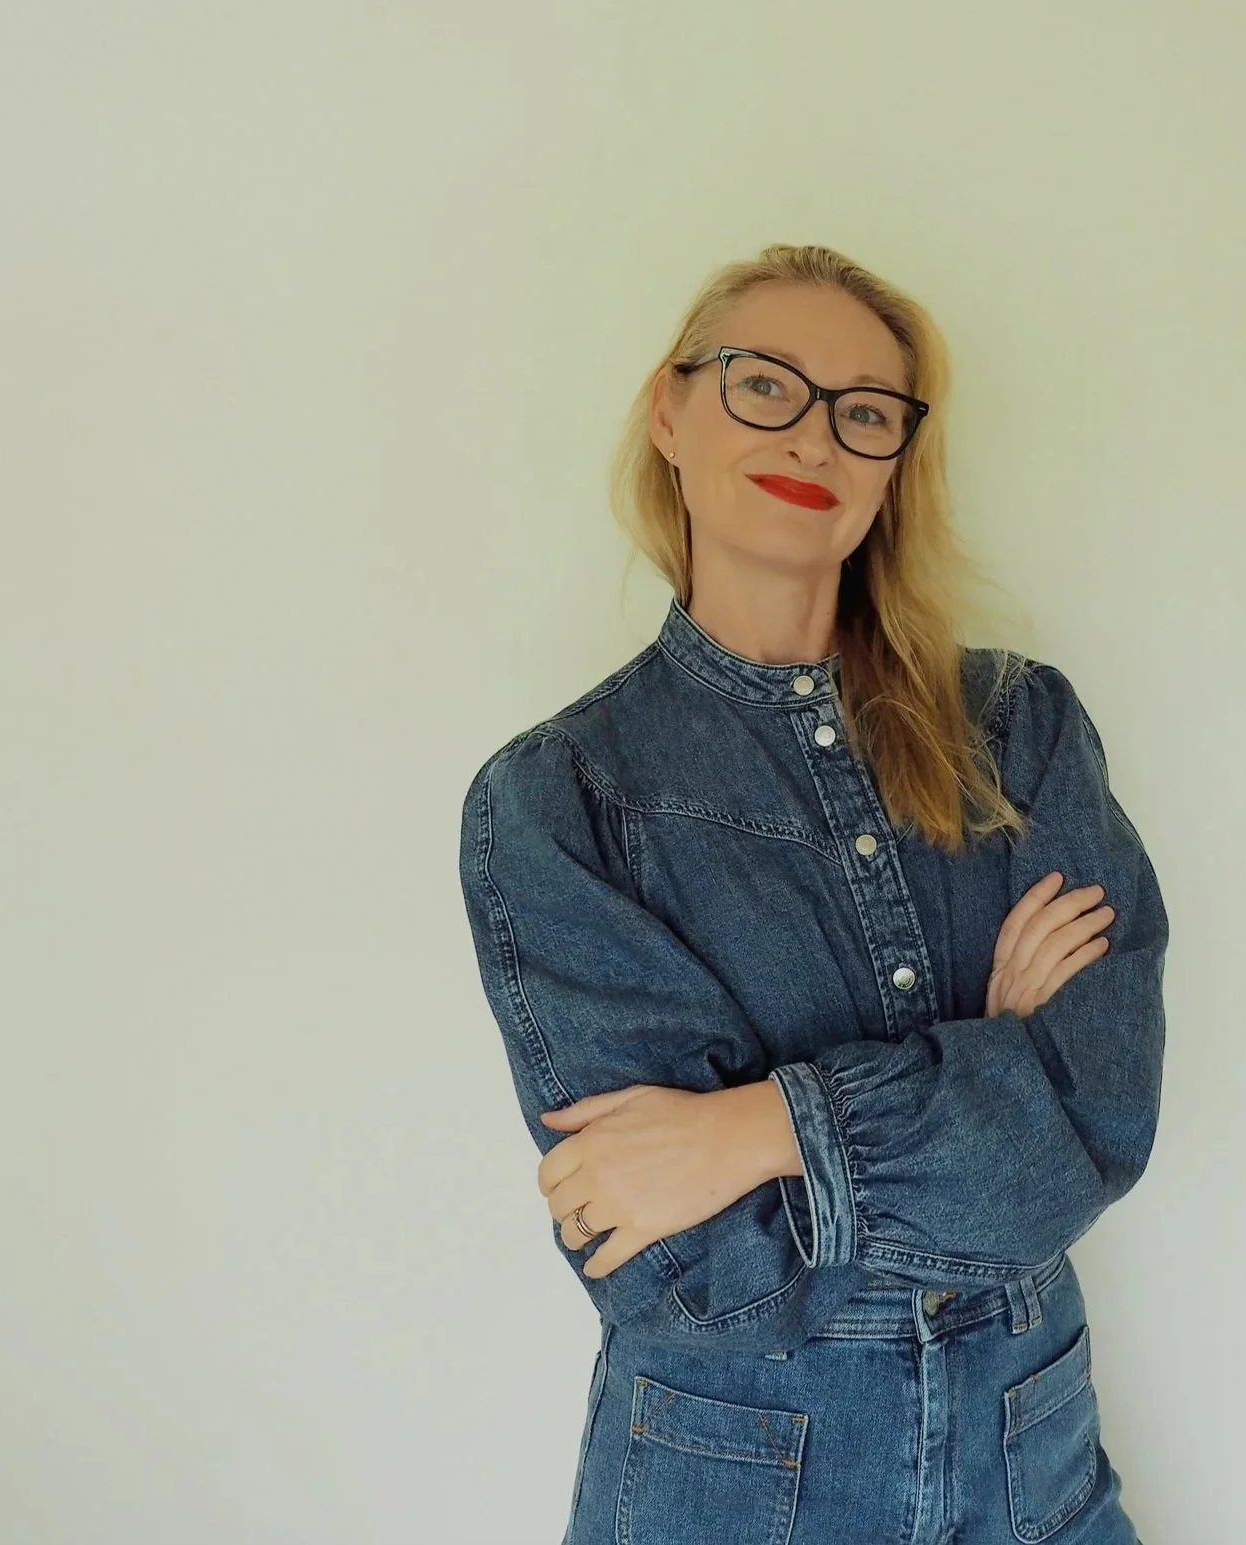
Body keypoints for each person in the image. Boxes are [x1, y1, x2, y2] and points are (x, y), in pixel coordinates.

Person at [457, 242, 1168, 1545]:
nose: (817, 436)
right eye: (763, 384)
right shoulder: (561, 801)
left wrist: (751, 1131)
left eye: (864, 411)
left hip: (1032, 1452)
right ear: (670, 412)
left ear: (897, 460)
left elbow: (1097, 1120)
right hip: (738, 1477)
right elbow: (701, 1277)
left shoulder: (1018, 731)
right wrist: (995, 1065)